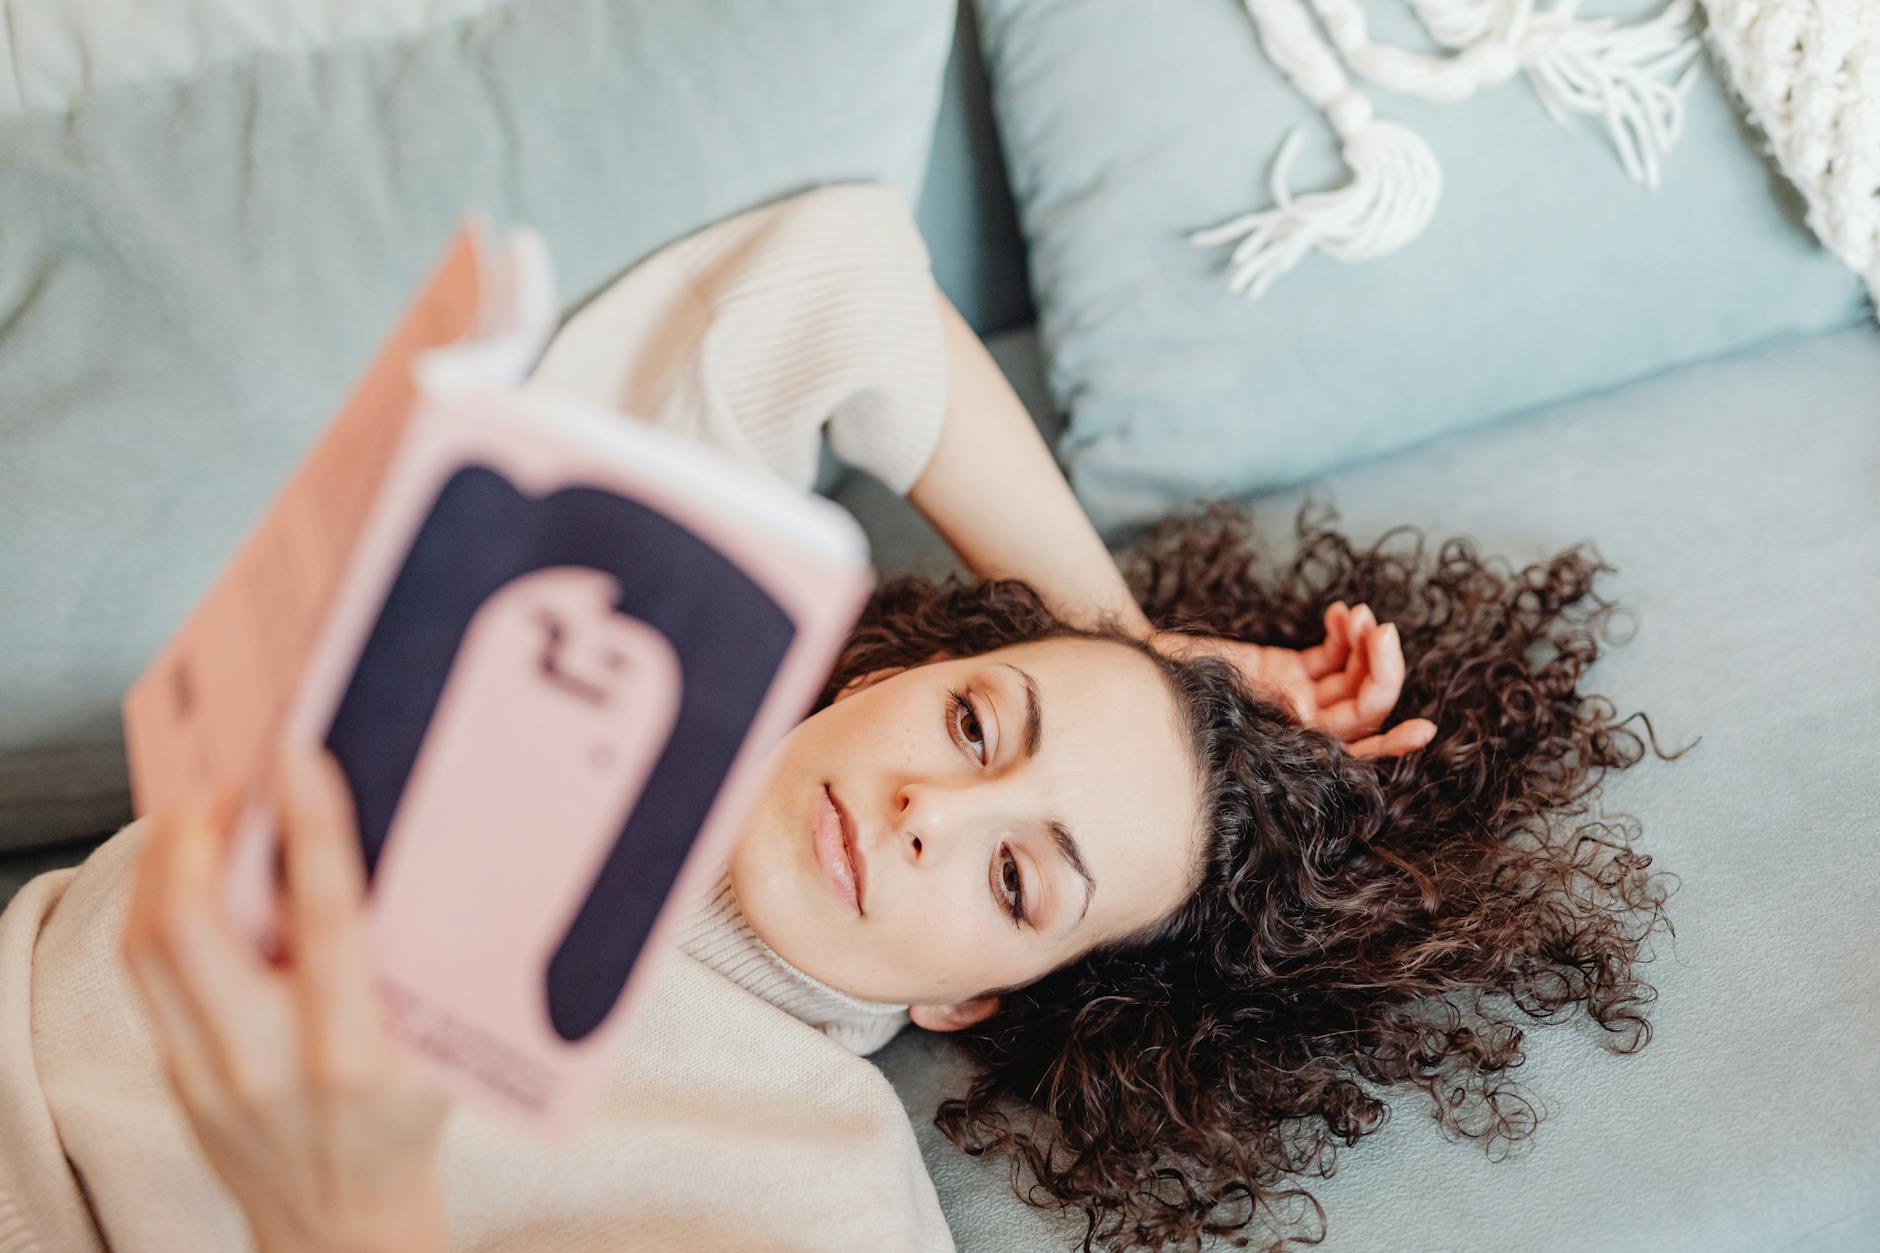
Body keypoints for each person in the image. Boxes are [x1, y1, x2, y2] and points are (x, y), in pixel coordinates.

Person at [0, 183, 1673, 1253]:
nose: (939, 817)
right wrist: (1125, 637)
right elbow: (843, 283)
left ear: (974, 991)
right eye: (975, 728)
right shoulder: (623, 632)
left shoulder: (806, 1182)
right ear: (890, 678)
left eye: (1020, 878)